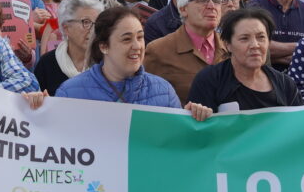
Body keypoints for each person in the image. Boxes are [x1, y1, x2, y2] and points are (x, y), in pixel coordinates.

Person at [56, 6, 213, 120]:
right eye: (126, 39)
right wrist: (36, 108)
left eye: (140, 37)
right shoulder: (70, 93)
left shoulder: (163, 91)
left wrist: (193, 121)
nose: (137, 46)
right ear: (104, 46)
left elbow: (176, 145)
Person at [189, 6, 304, 111]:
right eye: (244, 38)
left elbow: (298, 126)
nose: (255, 45)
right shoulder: (209, 80)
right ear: (228, 44)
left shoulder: (285, 84)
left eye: (261, 37)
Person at [144, 0, 229, 103]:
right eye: (202, 0)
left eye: (217, 1)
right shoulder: (158, 51)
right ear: (183, 9)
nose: (212, 6)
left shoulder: (231, 47)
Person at [34, 0, 104, 95]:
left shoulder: (105, 62)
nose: (92, 30)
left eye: (96, 23)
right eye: (86, 22)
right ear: (66, 28)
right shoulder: (47, 63)